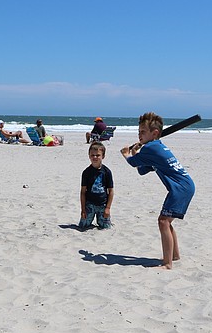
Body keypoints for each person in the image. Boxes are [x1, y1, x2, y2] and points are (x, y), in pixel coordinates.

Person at [121, 112, 195, 270]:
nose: (139, 135)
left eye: (143, 132)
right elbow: (142, 170)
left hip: (180, 188)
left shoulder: (151, 147)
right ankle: (174, 256)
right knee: (166, 222)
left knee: (163, 221)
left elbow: (133, 163)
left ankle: (167, 264)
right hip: (185, 186)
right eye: (138, 131)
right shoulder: (154, 147)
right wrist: (135, 153)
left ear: (154, 133)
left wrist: (127, 154)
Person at [80, 141, 114, 229]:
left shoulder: (107, 172)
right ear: (89, 156)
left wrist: (108, 208)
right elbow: (83, 192)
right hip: (90, 204)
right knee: (83, 226)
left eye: (98, 155)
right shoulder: (86, 172)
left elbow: (110, 191)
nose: (95, 157)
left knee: (106, 227)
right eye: (92, 155)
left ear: (103, 156)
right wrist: (83, 210)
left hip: (102, 204)